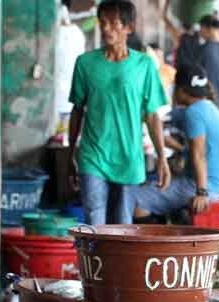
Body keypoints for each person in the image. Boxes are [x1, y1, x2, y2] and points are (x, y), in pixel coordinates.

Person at [68, 0, 170, 225]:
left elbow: (153, 116)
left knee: (122, 226)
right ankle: (93, 262)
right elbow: (77, 111)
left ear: (129, 28)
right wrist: (70, 155)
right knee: (94, 225)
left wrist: (162, 157)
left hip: (129, 158)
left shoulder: (144, 65)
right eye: (103, 23)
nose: (106, 29)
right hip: (92, 156)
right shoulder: (85, 63)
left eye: (114, 24)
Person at [119, 65, 219, 224]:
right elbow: (158, 119)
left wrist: (201, 192)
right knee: (152, 181)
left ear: (181, 89)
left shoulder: (194, 113)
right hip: (213, 183)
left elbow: (198, 155)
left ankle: (154, 244)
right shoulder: (208, 107)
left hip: (201, 187)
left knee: (134, 196)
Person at [162, 0, 203, 70]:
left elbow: (164, 18)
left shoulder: (179, 37)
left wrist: (167, 2)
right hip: (196, 73)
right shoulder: (200, 38)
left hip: (182, 73)